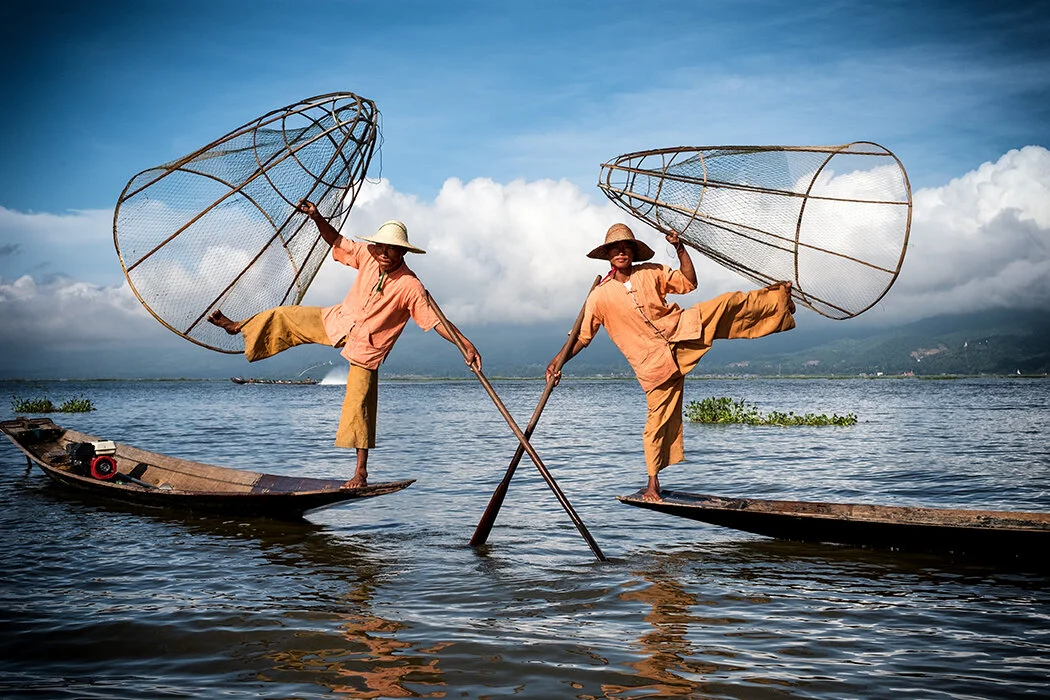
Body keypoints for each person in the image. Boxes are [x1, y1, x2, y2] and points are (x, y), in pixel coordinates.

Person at [209, 199, 480, 489]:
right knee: (285, 314)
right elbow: (336, 240)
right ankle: (239, 326)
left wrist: (465, 345)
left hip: (368, 345)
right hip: (339, 320)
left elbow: (436, 321)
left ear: (403, 251)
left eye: (392, 249)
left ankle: (360, 473)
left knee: (359, 404)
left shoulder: (410, 286)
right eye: (382, 247)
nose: (385, 254)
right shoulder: (368, 254)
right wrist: (316, 217)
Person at [546, 223, 795, 502]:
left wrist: (679, 248)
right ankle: (653, 485)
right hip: (653, 365)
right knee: (656, 424)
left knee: (727, 303)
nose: (621, 252)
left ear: (633, 252)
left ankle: (780, 300)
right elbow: (581, 337)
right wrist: (557, 362)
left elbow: (689, 283)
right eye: (615, 248)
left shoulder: (651, 272)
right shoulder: (599, 296)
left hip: (681, 331)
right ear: (607, 255)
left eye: (626, 247)